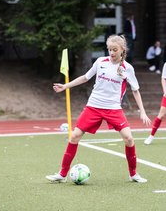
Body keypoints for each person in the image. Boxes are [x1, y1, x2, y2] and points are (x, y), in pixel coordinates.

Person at [46, 34, 151, 183]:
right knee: (74, 136)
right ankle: (62, 175)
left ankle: (133, 174)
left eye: (114, 49)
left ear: (122, 50)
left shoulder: (128, 68)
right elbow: (85, 77)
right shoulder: (100, 62)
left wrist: (143, 111)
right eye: (109, 49)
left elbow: (135, 90)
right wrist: (65, 86)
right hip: (93, 106)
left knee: (128, 138)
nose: (111, 52)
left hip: (113, 109)